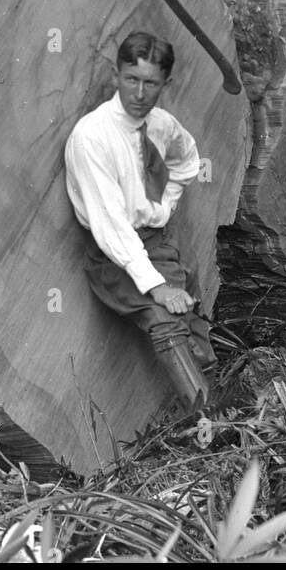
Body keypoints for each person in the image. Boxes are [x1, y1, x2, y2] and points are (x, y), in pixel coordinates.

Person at [64, 30, 214, 408]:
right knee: (164, 318)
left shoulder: (161, 125)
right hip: (114, 255)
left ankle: (224, 407)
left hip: (157, 241)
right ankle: (207, 425)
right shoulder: (92, 136)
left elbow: (187, 160)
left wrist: (166, 206)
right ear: (116, 76)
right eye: (131, 79)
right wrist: (154, 286)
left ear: (166, 83)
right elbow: (110, 225)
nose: (140, 93)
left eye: (151, 83)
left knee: (191, 314)